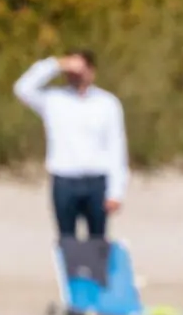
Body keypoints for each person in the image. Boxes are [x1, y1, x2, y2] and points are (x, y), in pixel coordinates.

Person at [13, 51, 130, 240]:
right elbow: (22, 88)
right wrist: (57, 64)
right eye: (71, 72)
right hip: (64, 180)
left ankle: (95, 270)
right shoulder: (53, 100)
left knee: (97, 242)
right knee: (67, 240)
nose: (76, 76)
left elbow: (117, 147)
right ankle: (71, 270)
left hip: (97, 182)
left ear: (92, 72)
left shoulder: (107, 103)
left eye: (81, 71)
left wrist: (116, 191)